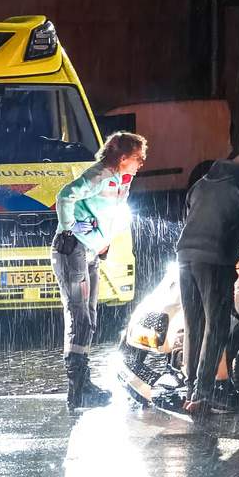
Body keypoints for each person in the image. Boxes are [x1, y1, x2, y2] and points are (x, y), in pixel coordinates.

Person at [52, 131, 148, 411]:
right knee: (79, 316)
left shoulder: (120, 178)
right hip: (74, 252)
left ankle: (82, 387)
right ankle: (78, 389)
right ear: (122, 157)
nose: (142, 163)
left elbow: (109, 213)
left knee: (89, 316)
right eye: (138, 158)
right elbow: (65, 196)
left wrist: (101, 241)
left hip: (89, 251)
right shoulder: (100, 175)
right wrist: (71, 231)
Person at [175, 152, 239, 415]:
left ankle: (190, 388)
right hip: (214, 261)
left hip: (184, 256)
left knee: (194, 325)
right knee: (216, 326)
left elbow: (190, 218)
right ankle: (202, 394)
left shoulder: (201, 183)